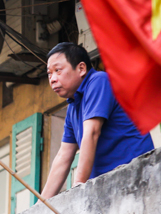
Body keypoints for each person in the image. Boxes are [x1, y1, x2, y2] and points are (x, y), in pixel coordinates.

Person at [40, 42, 153, 199]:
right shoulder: (73, 107)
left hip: (136, 177)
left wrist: (78, 185)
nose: (52, 79)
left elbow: (92, 132)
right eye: (49, 73)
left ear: (81, 69)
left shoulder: (99, 81)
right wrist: (41, 206)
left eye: (58, 70)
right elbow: (63, 156)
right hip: (106, 188)